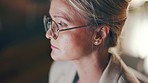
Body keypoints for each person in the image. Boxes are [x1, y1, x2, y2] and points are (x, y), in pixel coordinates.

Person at [44, 0, 140, 83]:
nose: (48, 34)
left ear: (99, 34)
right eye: (51, 20)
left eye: (61, 24)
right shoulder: (58, 69)